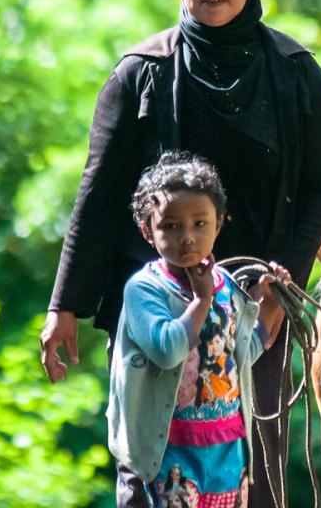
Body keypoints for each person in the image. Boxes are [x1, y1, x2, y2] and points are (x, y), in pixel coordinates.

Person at [40, 0, 321, 506]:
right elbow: (97, 194)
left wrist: (281, 292)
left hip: (253, 309)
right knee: (151, 467)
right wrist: (64, 305)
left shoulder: (295, 72)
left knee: (254, 468)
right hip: (158, 308)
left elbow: (318, 187)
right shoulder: (141, 74)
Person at [107, 151, 289, 507]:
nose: (187, 237)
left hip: (225, 446)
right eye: (170, 226)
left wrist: (272, 302)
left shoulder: (224, 285)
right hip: (169, 451)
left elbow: (241, 354)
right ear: (148, 231)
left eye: (199, 224)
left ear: (219, 224)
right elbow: (167, 349)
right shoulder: (145, 289)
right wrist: (201, 302)